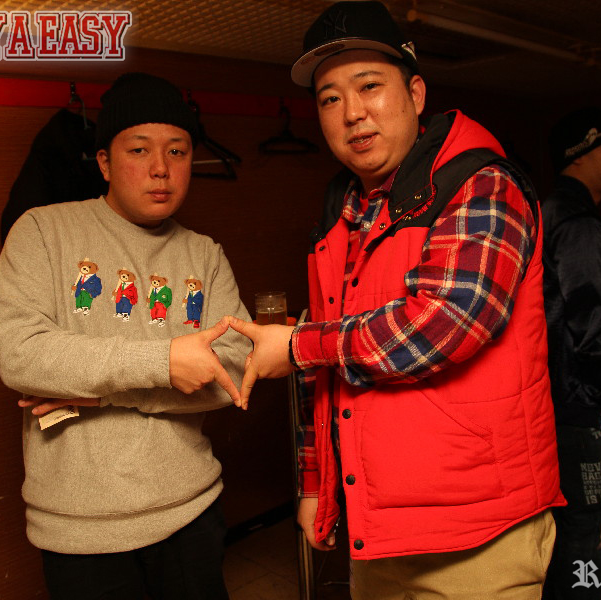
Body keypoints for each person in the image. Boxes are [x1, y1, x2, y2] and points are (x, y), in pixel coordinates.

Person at [227, 2, 564, 598]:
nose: (353, 112)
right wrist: (316, 486)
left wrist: (299, 346)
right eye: (330, 98)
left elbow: (445, 323)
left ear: (415, 93)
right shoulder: (343, 212)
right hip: (377, 525)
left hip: (478, 532)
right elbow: (328, 374)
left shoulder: (481, 183)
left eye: (369, 86)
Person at [0, 72, 251, 600]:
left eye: (177, 151)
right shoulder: (41, 230)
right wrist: (165, 363)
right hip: (80, 529)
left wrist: (103, 392)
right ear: (105, 163)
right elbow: (21, 354)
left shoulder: (205, 253)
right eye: (139, 149)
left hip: (192, 511)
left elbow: (234, 371)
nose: (161, 168)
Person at [541, 107, 601, 599]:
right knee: (589, 527)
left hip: (549, 401)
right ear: (580, 155)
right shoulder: (578, 222)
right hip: (577, 405)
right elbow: (591, 318)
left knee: (559, 527)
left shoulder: (548, 210)